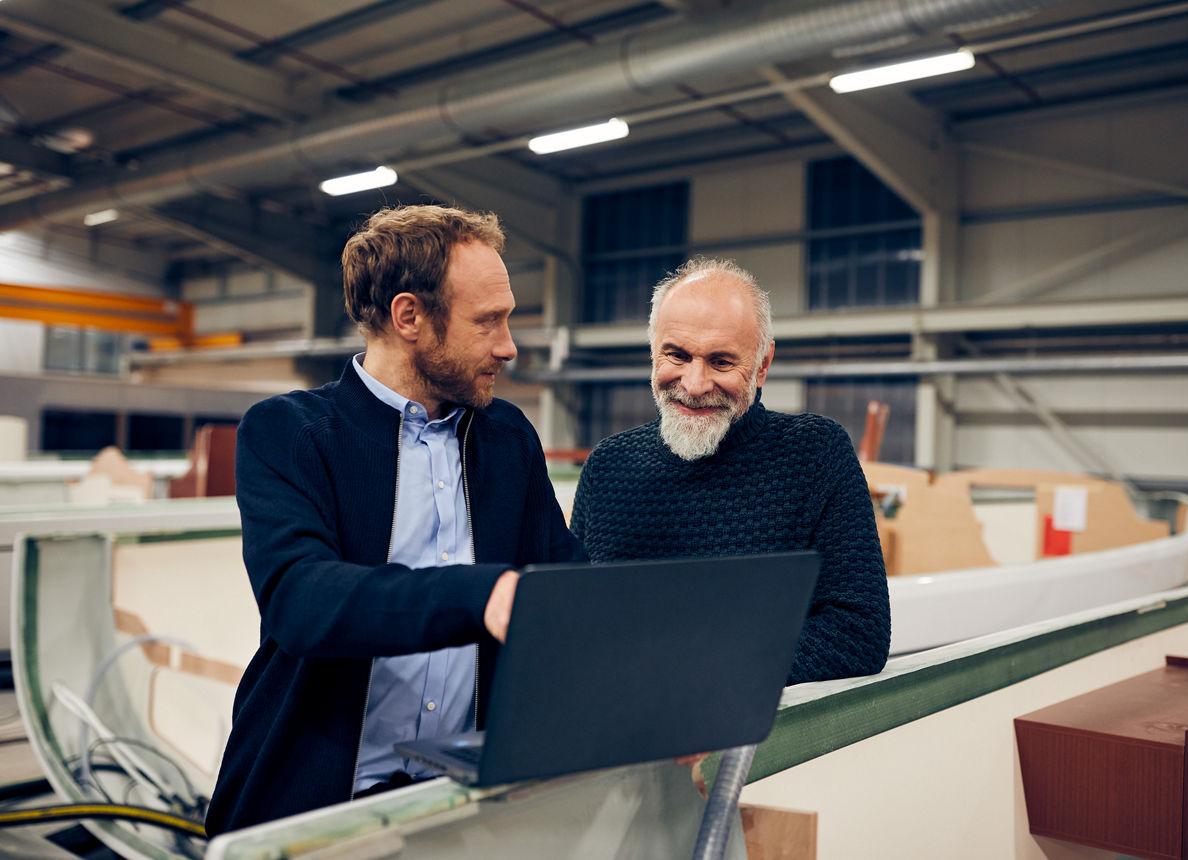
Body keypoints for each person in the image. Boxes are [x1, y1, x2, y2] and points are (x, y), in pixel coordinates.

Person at [206, 205, 584, 834]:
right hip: (320, 806)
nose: (508, 346)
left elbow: (566, 585)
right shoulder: (291, 432)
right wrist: (481, 593)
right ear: (409, 316)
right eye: (487, 321)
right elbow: (301, 600)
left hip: (462, 802)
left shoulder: (507, 438)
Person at [570, 258, 890, 683]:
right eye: (677, 355)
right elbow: (573, 622)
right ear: (653, 351)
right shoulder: (608, 467)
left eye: (721, 362)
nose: (695, 383)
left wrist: (697, 677)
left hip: (761, 741)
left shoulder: (815, 455)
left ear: (762, 365)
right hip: (617, 735)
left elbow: (856, 634)